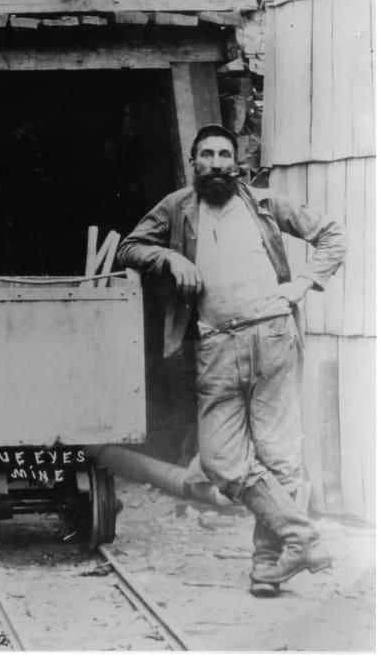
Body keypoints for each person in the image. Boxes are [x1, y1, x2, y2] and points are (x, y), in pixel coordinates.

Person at [116, 123, 346, 598]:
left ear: (236, 162)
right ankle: (302, 538)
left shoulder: (265, 203)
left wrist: (303, 284)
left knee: (278, 454)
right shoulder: (177, 208)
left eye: (225, 154)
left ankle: (267, 564)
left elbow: (331, 235)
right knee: (221, 459)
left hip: (273, 336)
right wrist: (169, 259)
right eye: (207, 154)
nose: (217, 162)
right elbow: (130, 246)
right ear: (193, 162)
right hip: (216, 345)